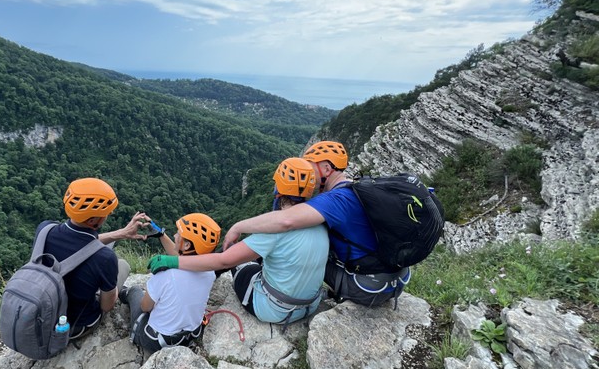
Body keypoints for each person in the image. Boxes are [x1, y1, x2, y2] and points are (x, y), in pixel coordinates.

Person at [223, 141, 410, 308]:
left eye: (310, 168)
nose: (308, 175)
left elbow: (286, 220)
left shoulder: (335, 199)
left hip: (367, 289)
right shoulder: (355, 188)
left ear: (327, 168)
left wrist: (237, 227)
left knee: (303, 254)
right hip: (393, 280)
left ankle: (286, 295)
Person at [147, 158, 329, 328]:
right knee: (258, 257)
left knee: (236, 255)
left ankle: (205, 275)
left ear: (278, 188)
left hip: (274, 310)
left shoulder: (273, 232)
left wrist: (173, 261)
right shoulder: (319, 220)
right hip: (309, 305)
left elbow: (224, 260)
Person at [35, 177, 145, 341]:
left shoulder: (45, 230)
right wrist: (109, 286)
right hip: (76, 325)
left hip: (43, 314)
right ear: (93, 220)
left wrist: (121, 233)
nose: (108, 215)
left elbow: (80, 243)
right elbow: (107, 306)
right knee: (122, 265)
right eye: (106, 213)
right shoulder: (105, 258)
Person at [121, 213, 220, 353]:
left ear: (187, 245)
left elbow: (145, 307)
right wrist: (161, 235)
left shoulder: (166, 274)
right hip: (189, 336)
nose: (174, 235)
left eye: (179, 234)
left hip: (157, 341)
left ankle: (121, 292)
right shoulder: (209, 272)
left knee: (135, 291)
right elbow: (184, 260)